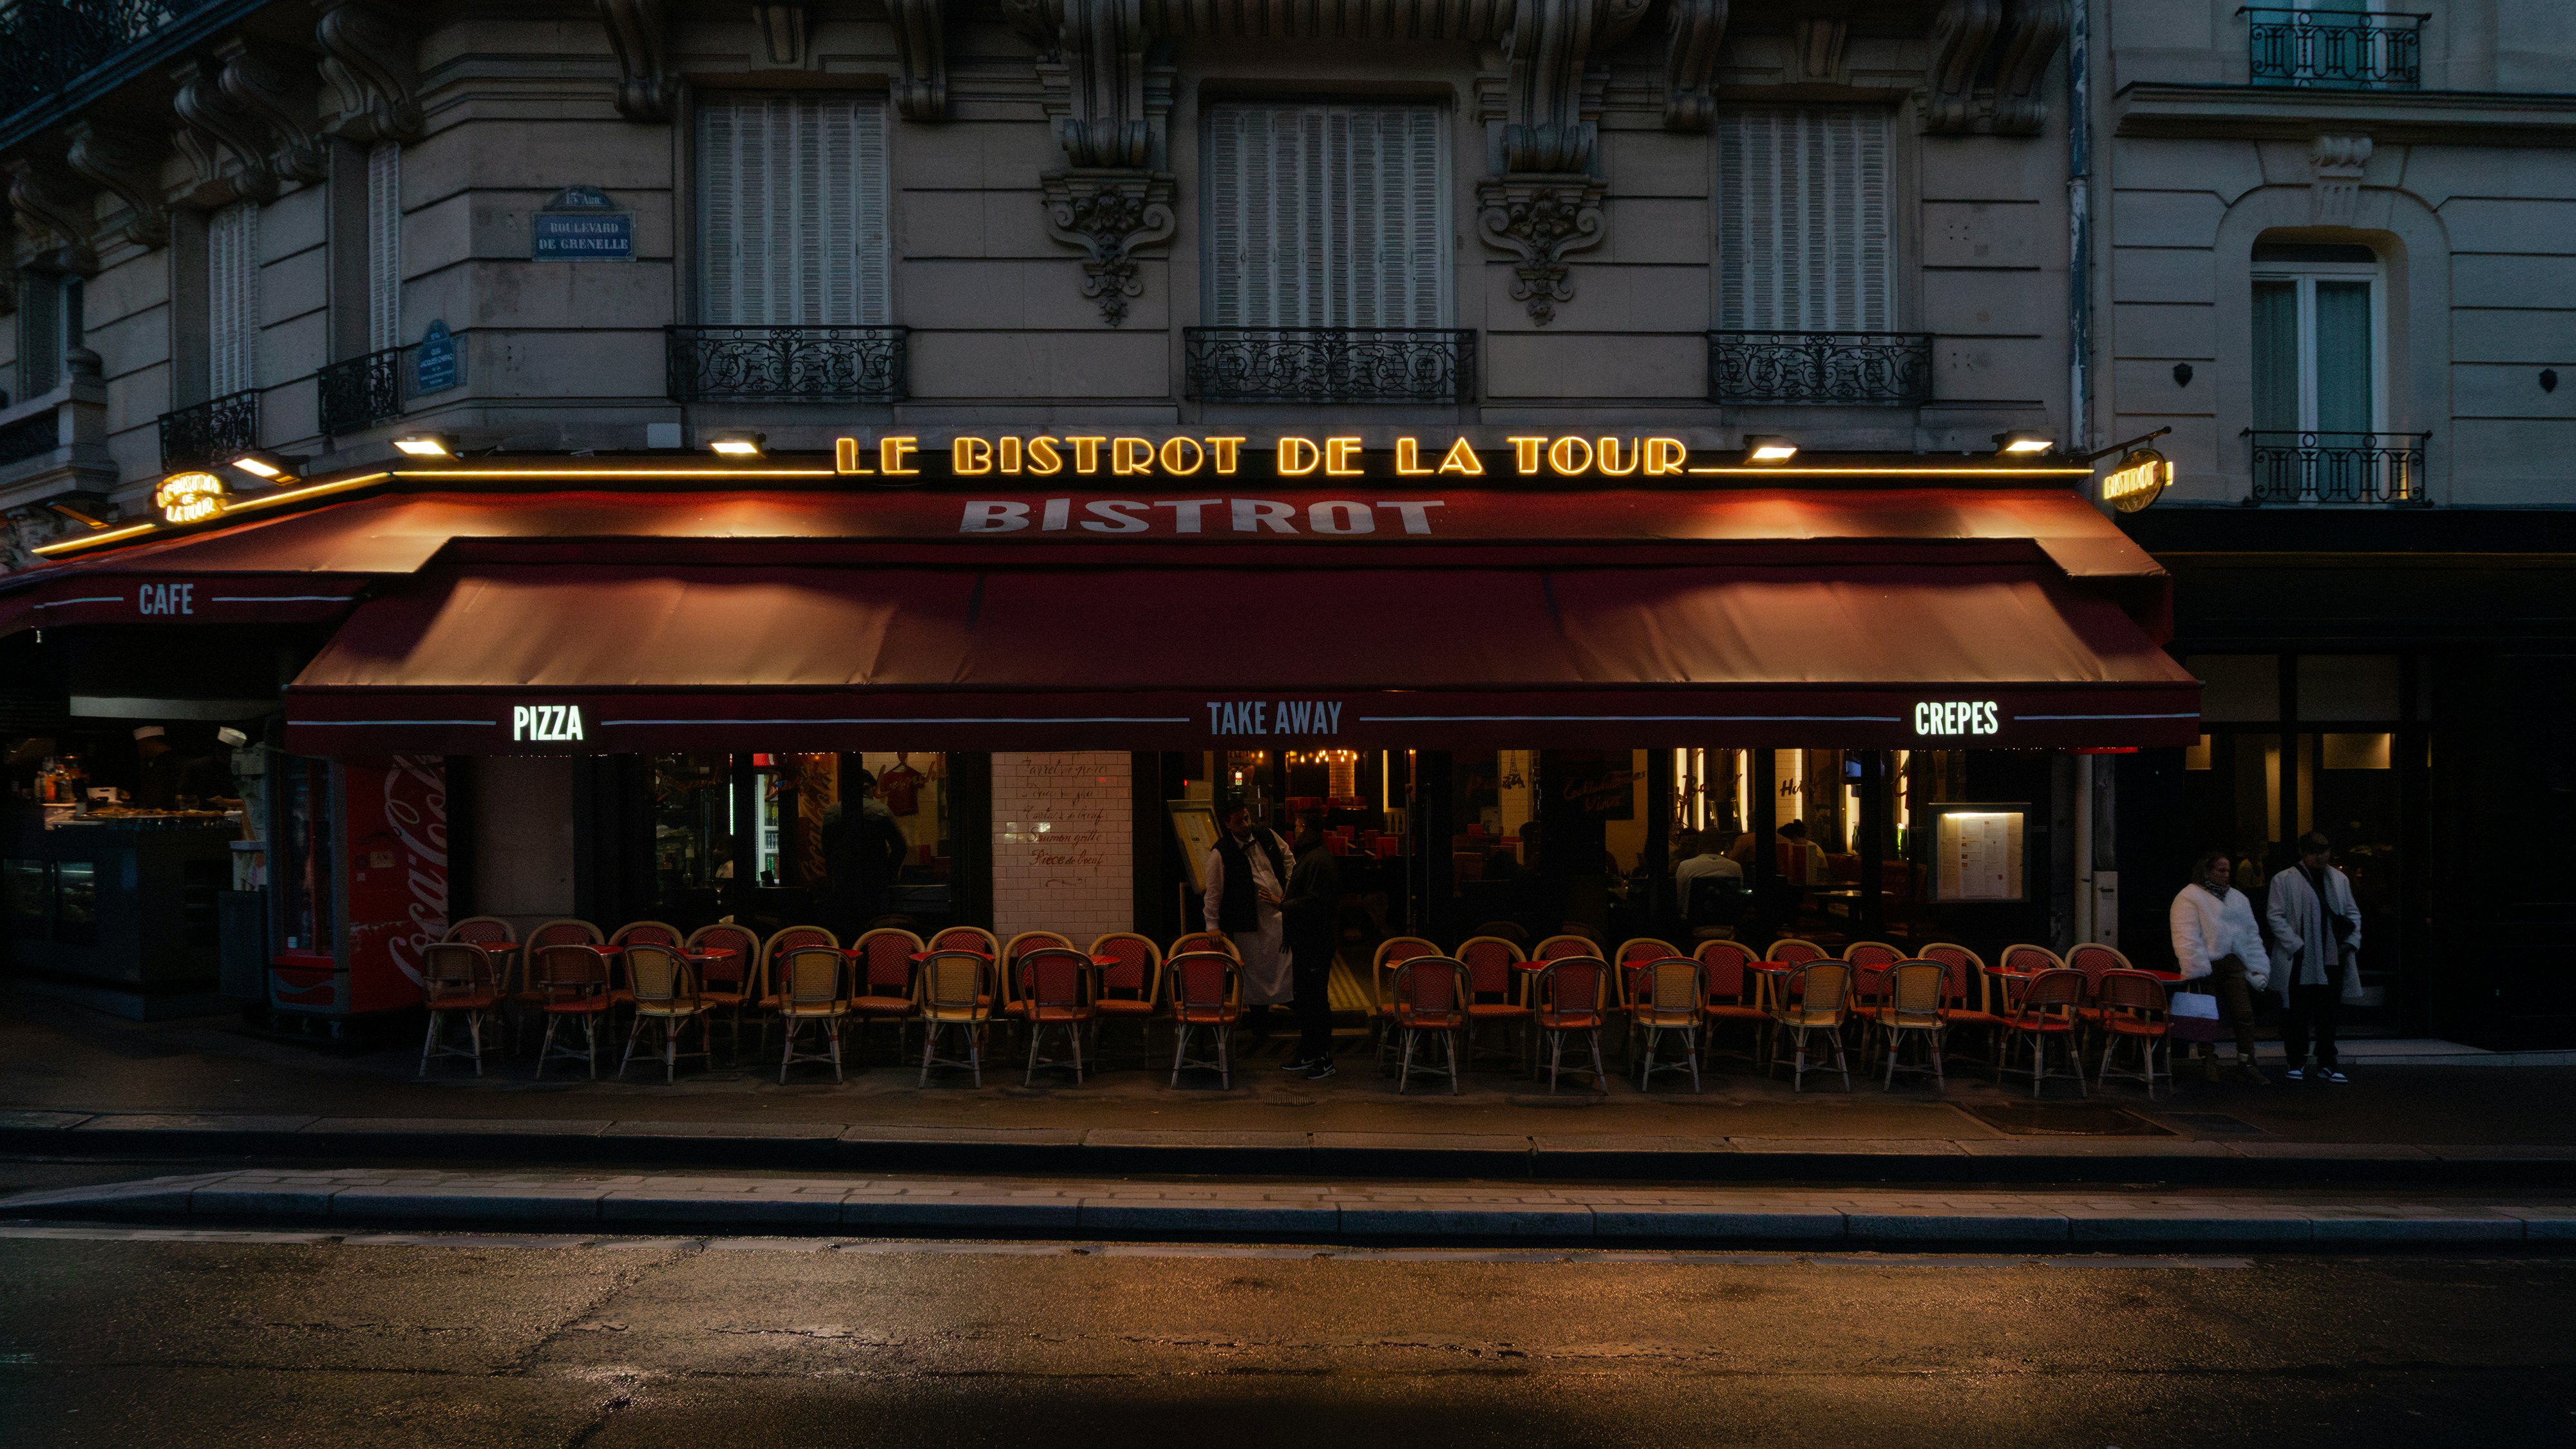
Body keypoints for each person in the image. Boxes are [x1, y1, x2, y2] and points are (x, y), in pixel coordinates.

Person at [2265, 831, 2363, 1083]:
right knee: (2298, 1011)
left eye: (2323, 850)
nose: (2319, 856)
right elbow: (2275, 916)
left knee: (2328, 1012)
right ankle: (2297, 1059)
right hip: (2302, 956)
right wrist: (2296, 945)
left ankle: (2326, 1061)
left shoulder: (2339, 879)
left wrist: (2350, 943)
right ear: (2303, 853)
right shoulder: (2284, 879)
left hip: (2331, 955)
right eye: (2313, 851)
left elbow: (2353, 912)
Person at [2169, 847, 2271, 1084]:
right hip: (2207, 964)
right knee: (2207, 1016)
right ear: (2207, 870)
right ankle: (2209, 1060)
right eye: (2221, 870)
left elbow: (2250, 935)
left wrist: (2256, 966)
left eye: (2228, 870)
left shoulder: (2237, 898)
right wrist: (2195, 965)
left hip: (2232, 962)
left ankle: (2247, 1062)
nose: (2226, 874)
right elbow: (2186, 934)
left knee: (2244, 1014)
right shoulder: (2190, 896)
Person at [1202, 800, 1295, 1039]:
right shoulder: (1220, 853)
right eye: (1239, 821)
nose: (1245, 824)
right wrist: (1212, 925)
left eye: (1246, 818)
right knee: (1255, 971)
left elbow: (1288, 860)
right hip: (1247, 920)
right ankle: (1259, 1020)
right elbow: (1213, 893)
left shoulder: (1267, 836)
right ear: (1227, 824)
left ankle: (1293, 1006)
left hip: (1278, 914)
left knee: (1285, 965)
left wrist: (1289, 892)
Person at [1281, 815, 1342, 1079]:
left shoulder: (1316, 859)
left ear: (1305, 827)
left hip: (1314, 940)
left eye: (1297, 824)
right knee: (1306, 997)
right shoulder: (1311, 856)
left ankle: (1322, 1057)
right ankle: (1308, 1052)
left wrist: (1282, 904)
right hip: (1306, 940)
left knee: (1315, 999)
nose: (1294, 829)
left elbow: (1316, 902)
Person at [821, 770, 908, 936]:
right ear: (869, 789)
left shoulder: (832, 813)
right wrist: (890, 871)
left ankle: (849, 960)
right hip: (875, 881)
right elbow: (900, 847)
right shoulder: (881, 811)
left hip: (844, 882)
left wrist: (834, 873)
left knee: (847, 932)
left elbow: (827, 849)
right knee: (876, 931)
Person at [1673, 829, 1744, 895]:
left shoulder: (1685, 866)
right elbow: (1738, 898)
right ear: (1721, 846)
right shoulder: (1735, 867)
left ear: (1699, 845)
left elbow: (1679, 897)